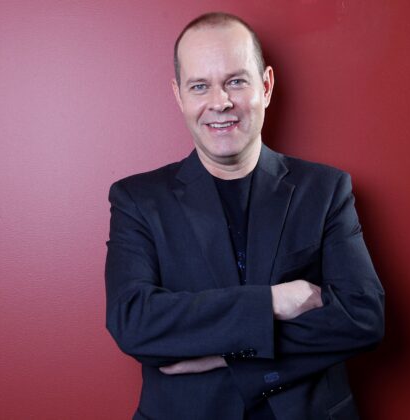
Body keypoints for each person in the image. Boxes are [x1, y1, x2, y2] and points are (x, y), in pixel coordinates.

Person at [105, 12, 385, 420]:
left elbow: (363, 319)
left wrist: (227, 355)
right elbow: (134, 323)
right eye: (200, 86)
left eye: (236, 81)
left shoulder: (326, 190)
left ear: (266, 86)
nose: (220, 102)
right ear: (179, 96)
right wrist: (274, 301)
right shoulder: (136, 199)